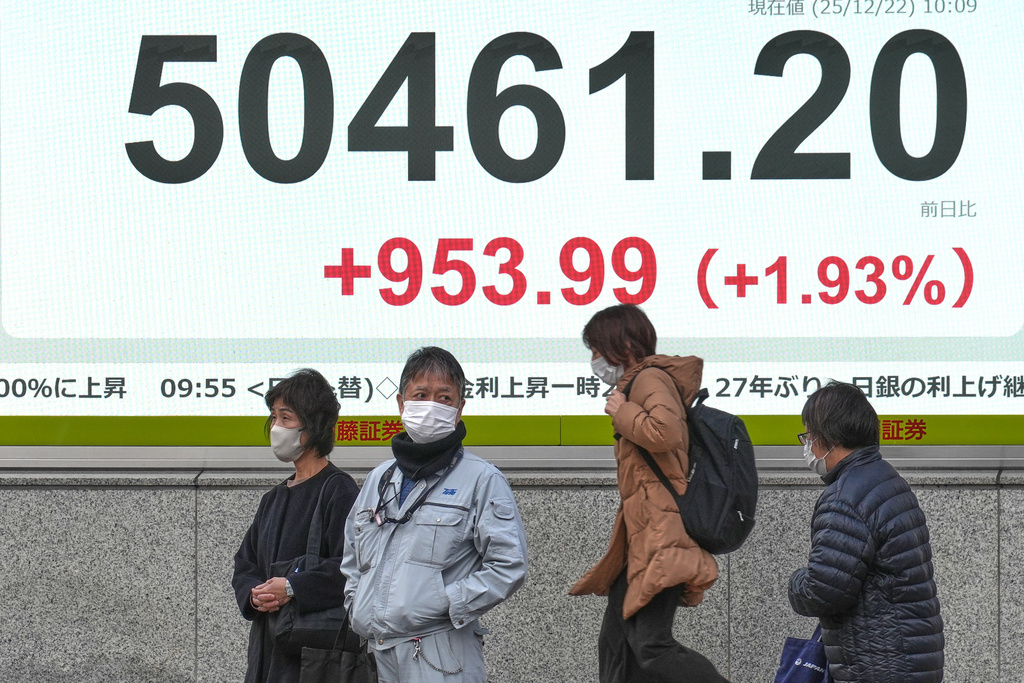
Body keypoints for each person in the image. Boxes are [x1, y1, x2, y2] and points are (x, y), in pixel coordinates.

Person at [340, 346, 528, 683]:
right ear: (401, 403)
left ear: (459, 409)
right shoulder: (379, 479)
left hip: (440, 652)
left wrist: (447, 601)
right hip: (376, 654)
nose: (431, 406)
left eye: (444, 397)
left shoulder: (482, 479)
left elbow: (508, 566)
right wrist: (356, 604)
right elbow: (353, 558)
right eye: (421, 394)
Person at [569, 304, 728, 683]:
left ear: (623, 344)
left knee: (651, 646)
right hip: (642, 538)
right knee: (617, 645)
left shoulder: (649, 380)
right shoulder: (636, 385)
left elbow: (665, 433)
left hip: (661, 536)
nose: (594, 360)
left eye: (596, 349)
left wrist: (622, 412)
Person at [789, 381, 944, 682]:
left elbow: (824, 590)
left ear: (827, 436)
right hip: (907, 656)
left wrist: (796, 581)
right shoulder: (885, 479)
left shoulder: (846, 497)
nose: (807, 444)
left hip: (880, 662)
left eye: (808, 435)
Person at [233, 368, 361, 683]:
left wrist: (292, 587)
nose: (276, 427)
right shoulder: (273, 498)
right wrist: (254, 593)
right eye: (273, 418)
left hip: (315, 657)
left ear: (314, 426)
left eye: (286, 418)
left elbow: (354, 566)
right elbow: (244, 563)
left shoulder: (339, 489)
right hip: (267, 650)